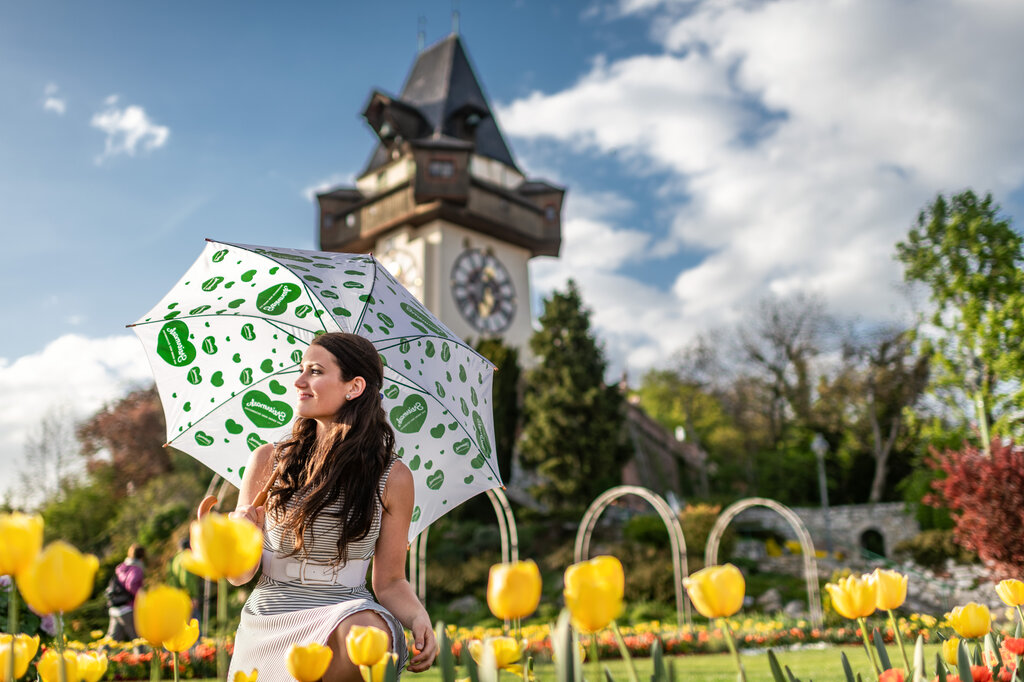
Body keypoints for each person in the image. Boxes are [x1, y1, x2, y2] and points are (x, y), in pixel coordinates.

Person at [226, 332, 438, 682]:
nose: (299, 381)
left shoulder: (392, 477)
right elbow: (239, 576)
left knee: (363, 633)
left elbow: (389, 581)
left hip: (347, 609)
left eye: (315, 371)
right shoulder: (267, 461)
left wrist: (417, 617)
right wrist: (241, 535)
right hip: (271, 615)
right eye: (301, 370)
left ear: (353, 387)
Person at [106, 543, 145, 642]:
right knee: (138, 640)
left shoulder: (122, 568)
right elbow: (131, 584)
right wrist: (141, 595)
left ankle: (96, 656)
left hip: (116, 607)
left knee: (112, 639)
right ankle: (142, 657)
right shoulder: (137, 569)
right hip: (128, 608)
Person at [167, 536, 202, 625]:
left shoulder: (175, 559)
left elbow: (171, 579)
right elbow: (187, 578)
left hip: (177, 596)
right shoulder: (186, 557)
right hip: (187, 597)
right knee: (194, 625)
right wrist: (193, 596)